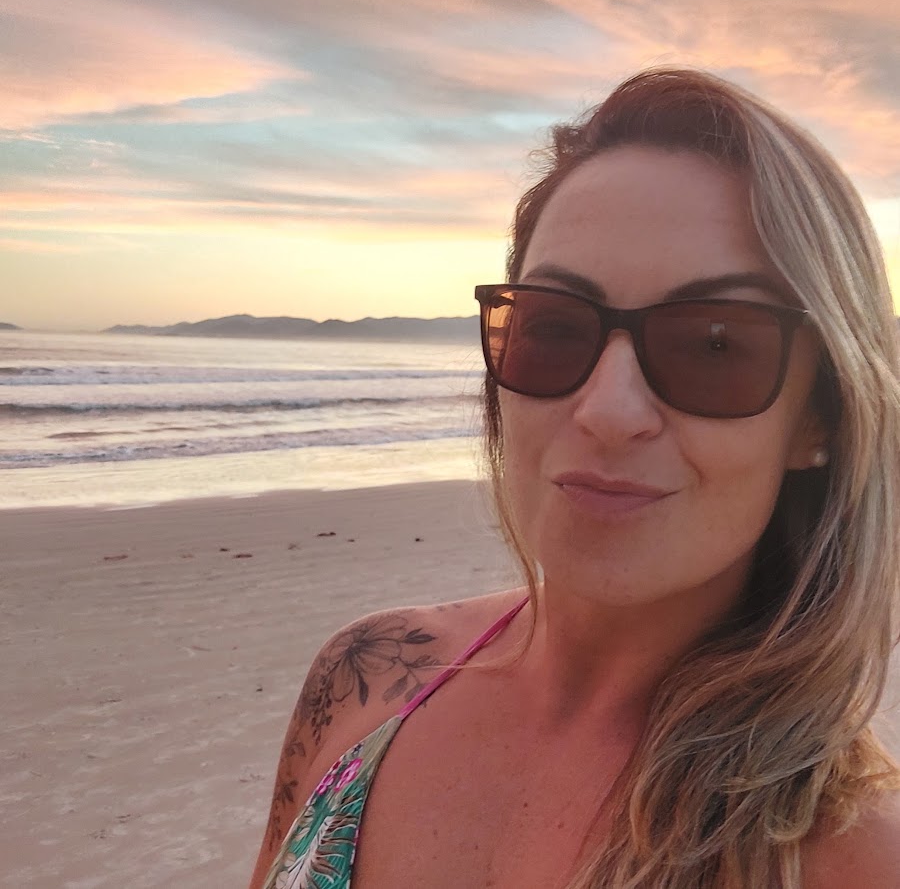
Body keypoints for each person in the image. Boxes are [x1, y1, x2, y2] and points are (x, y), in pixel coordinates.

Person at [249, 68, 900, 888]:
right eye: (555, 328)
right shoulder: (363, 679)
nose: (608, 411)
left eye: (714, 344)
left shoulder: (851, 857)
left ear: (821, 417)